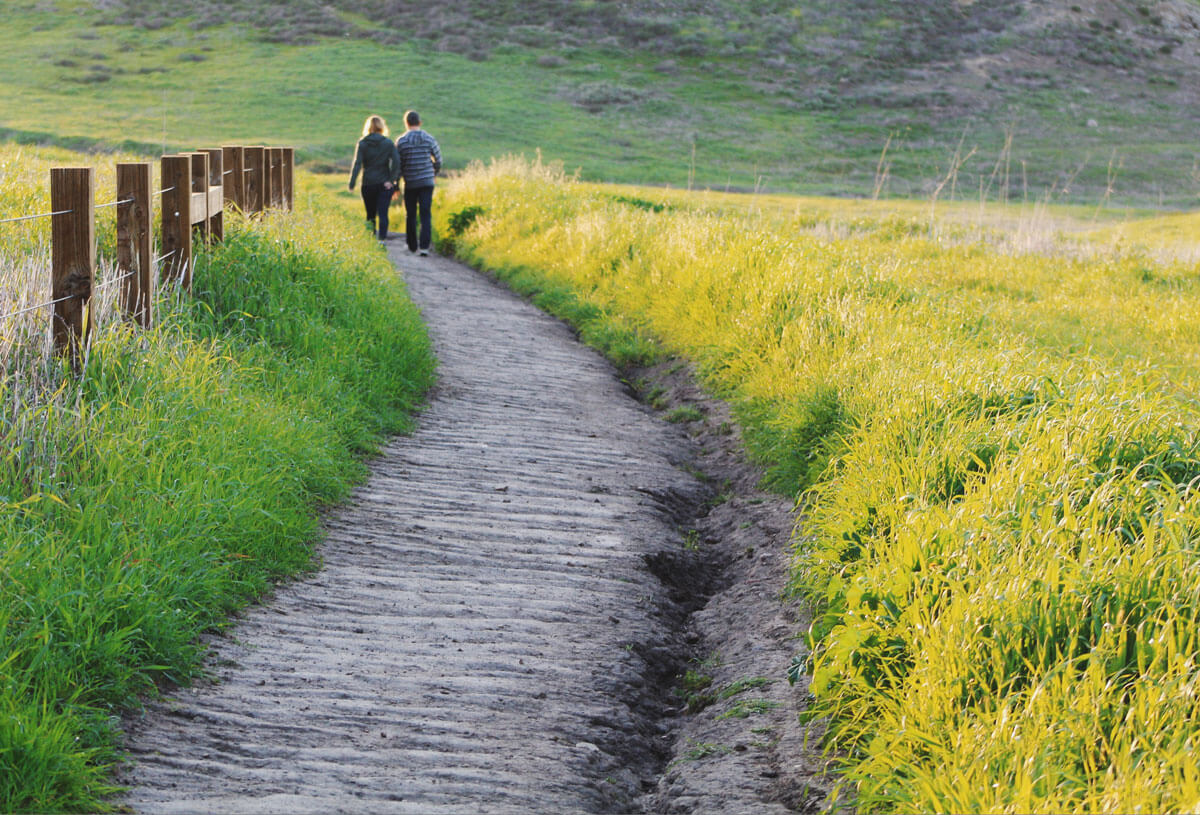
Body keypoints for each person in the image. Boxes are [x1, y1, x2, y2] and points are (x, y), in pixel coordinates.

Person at [395, 110, 442, 256]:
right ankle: (424, 247)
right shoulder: (429, 139)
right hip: (427, 181)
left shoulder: (401, 141)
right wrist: (434, 173)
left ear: (406, 123)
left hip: (411, 182)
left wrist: (397, 183)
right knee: (425, 213)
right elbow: (438, 159)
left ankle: (411, 245)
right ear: (419, 123)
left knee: (411, 214)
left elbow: (398, 165)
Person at [348, 115, 400, 240]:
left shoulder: (363, 143)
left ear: (368, 127)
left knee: (370, 214)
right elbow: (397, 161)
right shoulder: (388, 143)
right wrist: (391, 180)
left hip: (368, 183)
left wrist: (352, 183)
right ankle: (382, 240)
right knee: (383, 214)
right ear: (382, 127)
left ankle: (371, 240)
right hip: (384, 184)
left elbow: (357, 164)